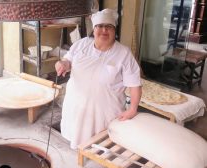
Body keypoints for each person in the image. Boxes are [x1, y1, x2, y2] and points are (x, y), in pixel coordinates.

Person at [55, 8, 142, 149]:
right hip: (76, 104)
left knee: (101, 144)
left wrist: (132, 109)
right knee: (76, 135)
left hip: (105, 110)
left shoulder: (123, 53)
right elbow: (67, 61)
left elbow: (135, 85)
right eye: (100, 26)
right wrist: (62, 64)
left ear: (115, 31)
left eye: (109, 27)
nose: (104, 31)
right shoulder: (82, 44)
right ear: (94, 29)